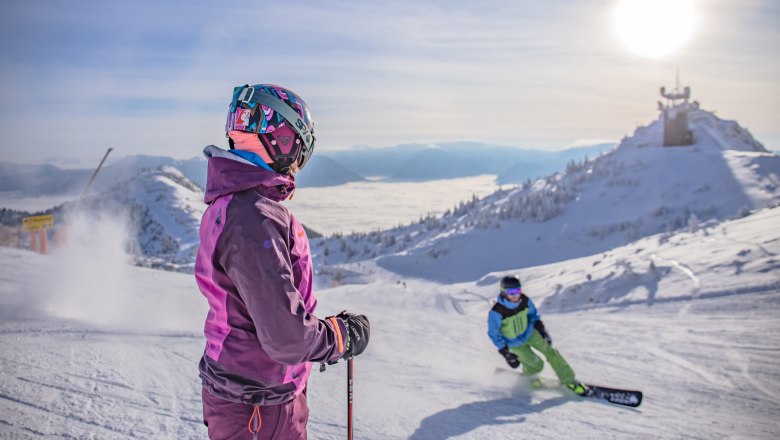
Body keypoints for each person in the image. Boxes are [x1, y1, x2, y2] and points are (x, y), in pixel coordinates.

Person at [195, 83, 370, 439]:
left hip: (250, 394)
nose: (298, 160)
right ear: (282, 138)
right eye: (299, 146)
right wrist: (339, 337)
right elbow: (287, 339)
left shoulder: (234, 204)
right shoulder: (252, 217)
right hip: (259, 404)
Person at [487, 274, 585, 395]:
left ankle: (569, 380)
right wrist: (505, 352)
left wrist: (541, 329)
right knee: (536, 365)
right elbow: (493, 333)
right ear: (503, 292)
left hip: (530, 333)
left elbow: (533, 315)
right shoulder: (497, 311)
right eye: (511, 292)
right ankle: (530, 379)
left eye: (517, 290)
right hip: (514, 343)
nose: (515, 295)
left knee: (551, 353)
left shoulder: (525, 301)